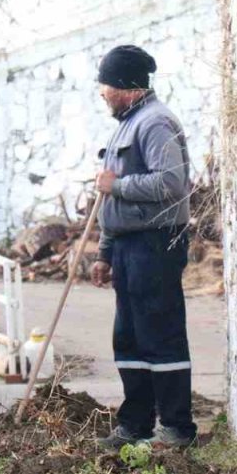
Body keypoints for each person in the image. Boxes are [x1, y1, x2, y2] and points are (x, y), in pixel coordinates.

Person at [88, 45, 197, 450]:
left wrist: (115, 185)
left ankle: (176, 429)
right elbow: (112, 204)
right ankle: (135, 425)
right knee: (129, 337)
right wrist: (104, 252)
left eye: (107, 85)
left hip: (156, 243)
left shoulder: (155, 123)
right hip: (128, 246)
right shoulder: (126, 123)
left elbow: (170, 185)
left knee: (160, 334)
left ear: (127, 87)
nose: (102, 92)